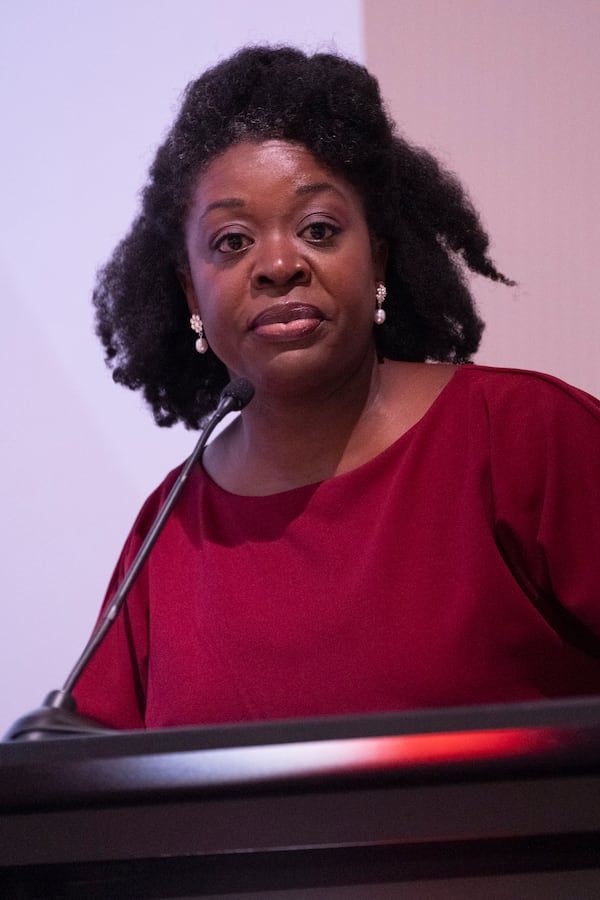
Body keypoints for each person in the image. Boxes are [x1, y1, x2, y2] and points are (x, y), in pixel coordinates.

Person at [73, 46, 600, 730]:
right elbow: (94, 790)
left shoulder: (525, 437)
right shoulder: (167, 530)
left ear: (377, 253)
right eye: (231, 242)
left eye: (318, 229)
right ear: (188, 291)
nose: (279, 265)